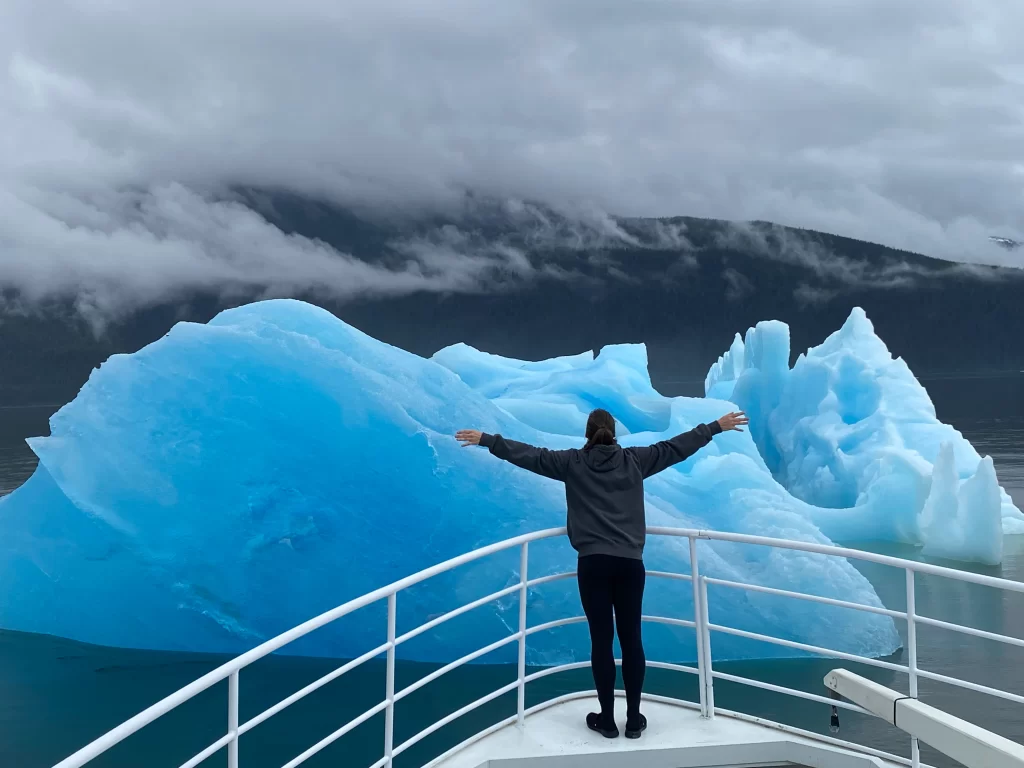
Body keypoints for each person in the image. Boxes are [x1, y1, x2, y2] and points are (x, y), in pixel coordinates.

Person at [456, 408, 748, 739]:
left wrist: (488, 440)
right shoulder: (636, 460)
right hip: (629, 563)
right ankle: (634, 719)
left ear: (587, 433)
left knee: (601, 640)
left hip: (593, 563)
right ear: (614, 433)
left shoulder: (572, 463)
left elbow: (530, 456)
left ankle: (607, 720)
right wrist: (715, 427)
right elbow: (675, 447)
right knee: (631, 639)